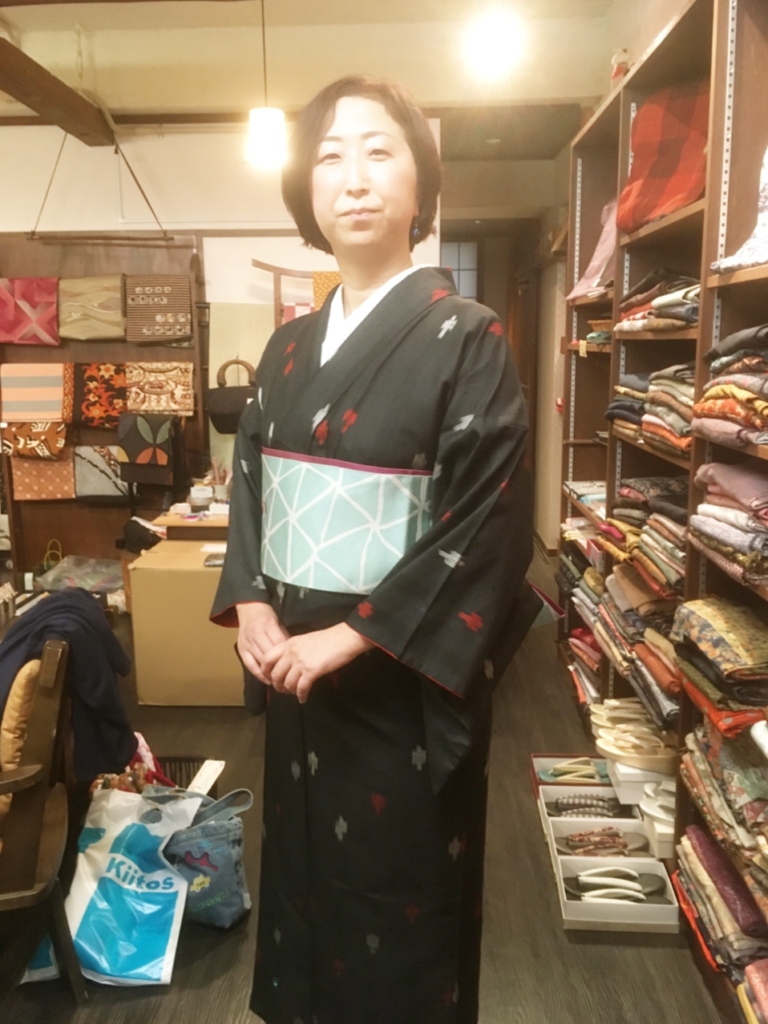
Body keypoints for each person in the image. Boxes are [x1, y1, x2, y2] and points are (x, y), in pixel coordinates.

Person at [211, 74, 540, 1024]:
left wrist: (351, 635)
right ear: (306, 191)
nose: (353, 178)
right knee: (303, 882)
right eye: (329, 158)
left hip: (398, 687)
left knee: (399, 905)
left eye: (378, 151)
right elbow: (250, 484)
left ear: (420, 181)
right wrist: (255, 601)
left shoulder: (468, 338)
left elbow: (487, 520)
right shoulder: (286, 350)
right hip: (294, 677)